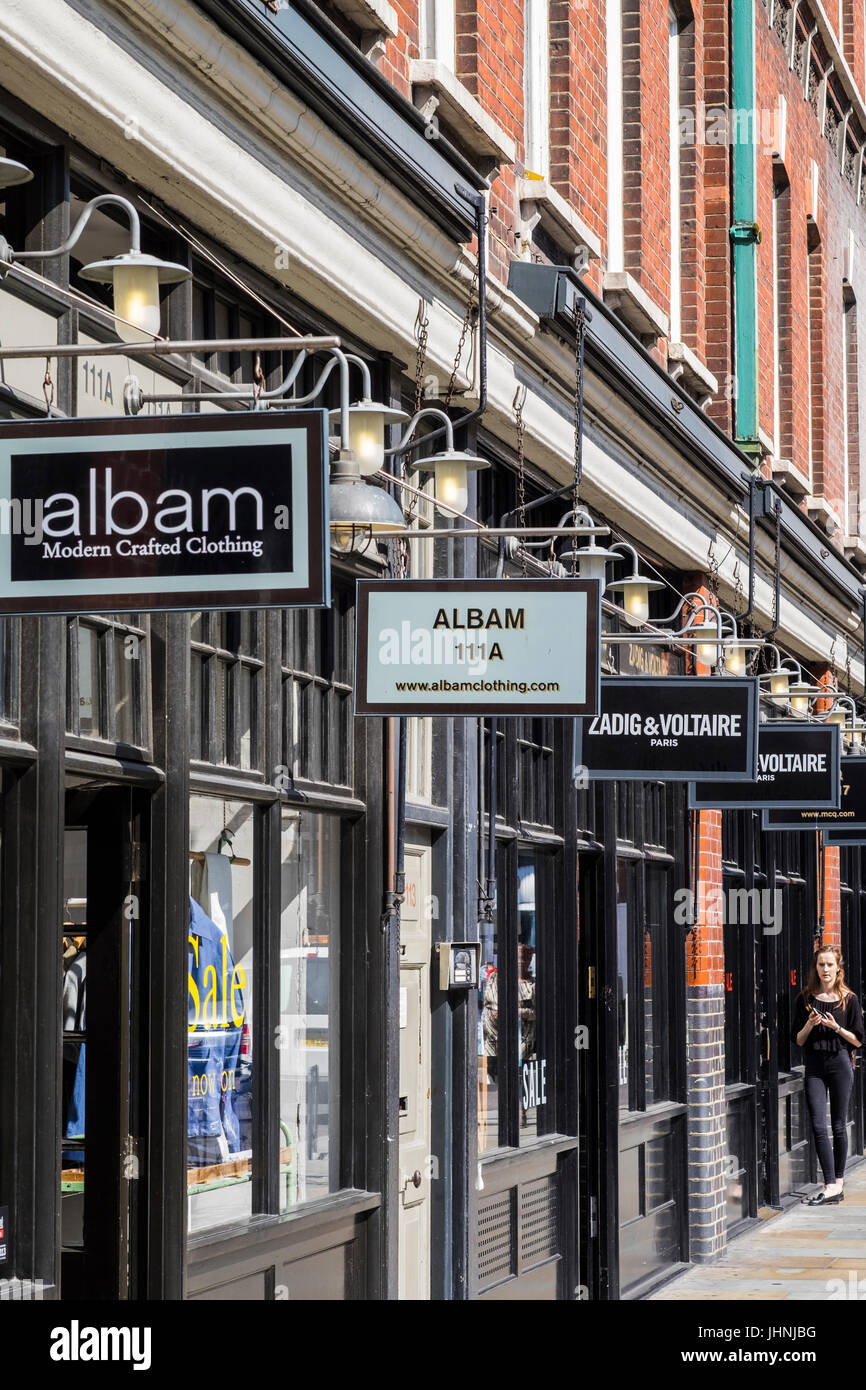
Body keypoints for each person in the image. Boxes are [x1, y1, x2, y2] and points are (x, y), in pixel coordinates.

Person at [791, 945, 864, 1205]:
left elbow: (857, 1041)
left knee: (838, 1124)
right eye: (821, 965)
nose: (825, 970)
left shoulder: (849, 999)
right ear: (816, 968)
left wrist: (836, 1028)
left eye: (829, 965)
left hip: (840, 1064)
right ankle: (830, 1184)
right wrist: (810, 1024)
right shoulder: (806, 998)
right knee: (818, 1126)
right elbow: (798, 1041)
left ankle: (838, 1183)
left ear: (838, 968)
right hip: (814, 1067)